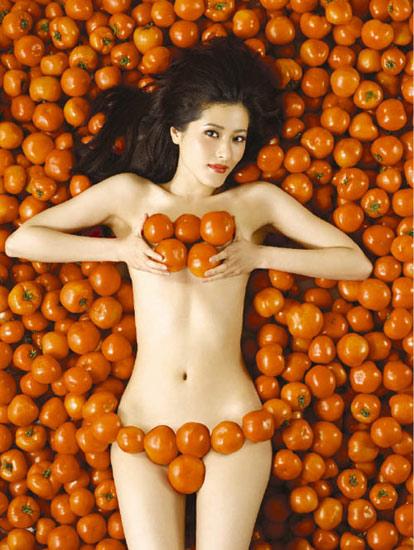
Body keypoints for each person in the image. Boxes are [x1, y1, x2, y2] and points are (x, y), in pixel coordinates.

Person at [5, 36, 372, 550]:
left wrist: (259, 256)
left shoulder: (256, 203)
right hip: (143, 422)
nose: (225, 153)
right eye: (212, 133)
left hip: (232, 420)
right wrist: (121, 250)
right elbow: (23, 241)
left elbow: (355, 261)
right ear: (177, 131)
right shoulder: (131, 197)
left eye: (238, 138)